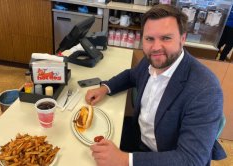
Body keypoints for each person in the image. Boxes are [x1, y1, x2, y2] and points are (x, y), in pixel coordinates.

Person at [85, 4, 226, 166]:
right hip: (140, 137)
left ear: (182, 39)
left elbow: (192, 159)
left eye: (166, 38)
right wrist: (105, 88)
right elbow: (131, 75)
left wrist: (125, 160)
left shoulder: (206, 89)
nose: (156, 47)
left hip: (167, 156)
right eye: (149, 38)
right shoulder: (152, 59)